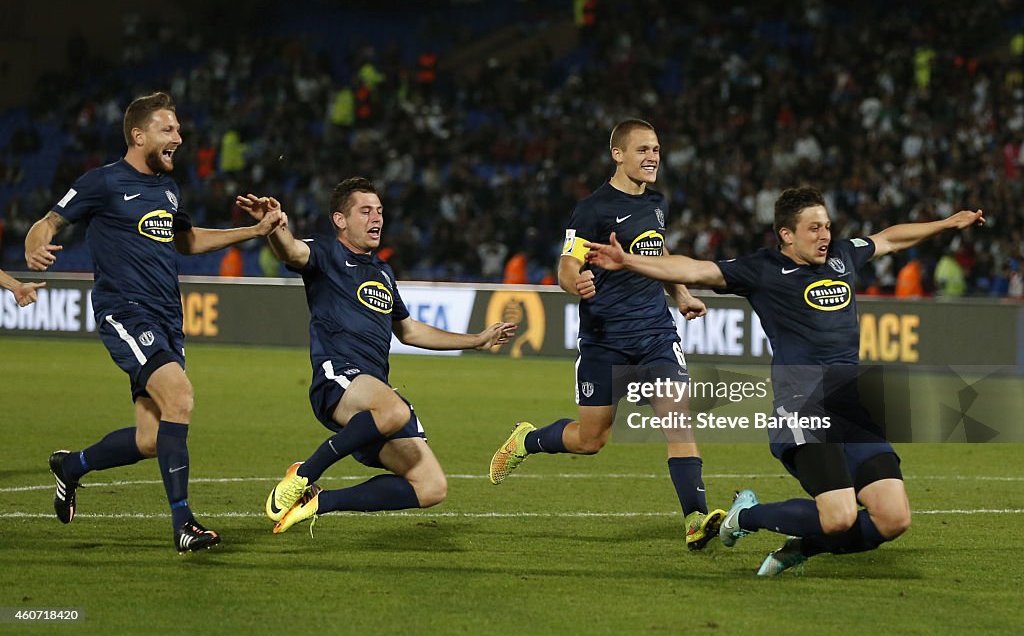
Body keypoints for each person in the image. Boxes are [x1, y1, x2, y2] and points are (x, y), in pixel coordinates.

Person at [585, 187, 985, 575]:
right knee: (839, 516)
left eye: (827, 226)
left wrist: (947, 223)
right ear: (786, 235)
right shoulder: (762, 270)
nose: (825, 235)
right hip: (802, 409)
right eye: (813, 228)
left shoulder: (843, 256)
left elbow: (889, 239)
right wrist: (631, 262)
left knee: (893, 518)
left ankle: (800, 548)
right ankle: (748, 515)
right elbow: (694, 269)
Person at [24, 92, 285, 553]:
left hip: (167, 318)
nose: (179, 138)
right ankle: (184, 524)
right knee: (180, 397)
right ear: (138, 135)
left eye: (179, 130)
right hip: (125, 311)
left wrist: (253, 231)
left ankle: (72, 467)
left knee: (150, 438)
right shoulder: (102, 182)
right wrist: (34, 243)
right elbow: (49, 222)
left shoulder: (168, 189)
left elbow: (186, 240)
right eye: (169, 130)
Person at [487, 118, 726, 550]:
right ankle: (527, 439)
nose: (653, 157)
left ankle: (694, 517)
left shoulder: (657, 204)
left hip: (655, 334)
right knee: (590, 439)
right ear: (618, 155)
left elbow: (658, 252)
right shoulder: (592, 209)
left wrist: (682, 292)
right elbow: (567, 263)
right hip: (604, 339)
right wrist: (572, 282)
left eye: (656, 149)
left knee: (678, 423)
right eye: (642, 150)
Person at [236, 178, 516, 534]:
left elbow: (410, 331)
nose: (377, 218)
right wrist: (274, 227)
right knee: (395, 408)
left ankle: (321, 501)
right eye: (365, 210)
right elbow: (290, 251)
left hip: (372, 398)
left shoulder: (382, 272)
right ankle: (304, 473)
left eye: (380, 211)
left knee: (431, 487)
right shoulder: (325, 254)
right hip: (337, 377)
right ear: (340, 220)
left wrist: (476, 339)